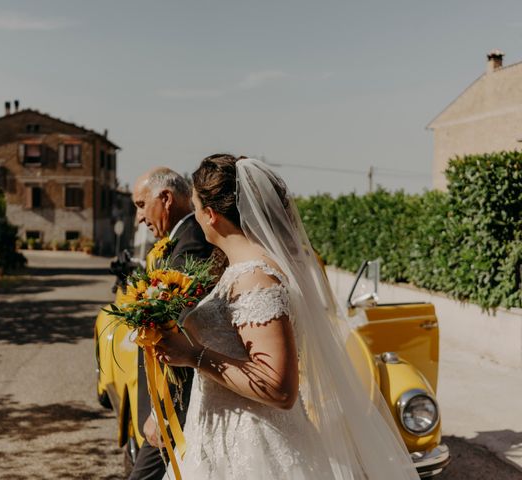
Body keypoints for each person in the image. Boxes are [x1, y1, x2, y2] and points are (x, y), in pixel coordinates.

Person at [155, 155, 420, 479]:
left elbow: (279, 387)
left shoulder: (256, 278)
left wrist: (193, 355)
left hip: (254, 448)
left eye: (196, 207)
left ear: (211, 216)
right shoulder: (238, 271)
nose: (195, 217)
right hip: (220, 437)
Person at [128, 167, 215, 480]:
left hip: (176, 404)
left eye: (140, 205)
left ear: (165, 198)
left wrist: (160, 412)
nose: (139, 217)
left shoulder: (192, 244)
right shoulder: (177, 239)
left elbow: (178, 330)